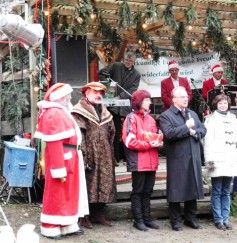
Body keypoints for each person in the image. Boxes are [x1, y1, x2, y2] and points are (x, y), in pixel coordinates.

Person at [34, 83, 89, 239]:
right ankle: (50, 226)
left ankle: (67, 223)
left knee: (68, 193)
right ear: (60, 98)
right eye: (67, 95)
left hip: (70, 157)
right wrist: (58, 167)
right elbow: (54, 143)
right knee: (57, 194)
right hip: (63, 159)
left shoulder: (61, 112)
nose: (70, 98)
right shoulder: (54, 114)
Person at [159, 86, 207, 231]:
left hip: (193, 156)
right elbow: (168, 134)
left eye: (186, 97)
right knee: (176, 189)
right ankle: (175, 220)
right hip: (177, 158)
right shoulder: (166, 115)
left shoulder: (193, 113)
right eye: (182, 97)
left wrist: (195, 133)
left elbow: (203, 129)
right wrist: (186, 128)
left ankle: (190, 218)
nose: (186, 99)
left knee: (192, 187)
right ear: (174, 99)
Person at [72, 82, 117, 229]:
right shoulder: (79, 111)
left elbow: (112, 133)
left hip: (104, 154)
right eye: (95, 92)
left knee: (104, 182)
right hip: (89, 153)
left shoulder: (104, 112)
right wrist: (83, 156)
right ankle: (84, 216)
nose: (99, 95)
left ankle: (98, 214)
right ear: (86, 93)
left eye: (101, 93)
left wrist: (111, 154)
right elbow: (80, 135)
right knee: (88, 184)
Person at [122, 90, 163, 231]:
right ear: (139, 101)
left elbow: (154, 137)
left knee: (148, 192)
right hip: (139, 162)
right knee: (138, 192)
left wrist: (159, 142)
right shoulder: (131, 118)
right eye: (146, 100)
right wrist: (149, 144)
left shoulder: (151, 119)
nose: (149, 102)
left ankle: (147, 218)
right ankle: (138, 220)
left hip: (151, 162)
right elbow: (128, 141)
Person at [202, 94, 237, 230]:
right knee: (217, 190)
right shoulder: (211, 119)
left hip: (230, 159)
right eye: (220, 103)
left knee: (226, 191)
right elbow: (207, 141)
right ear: (216, 105)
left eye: (225, 103)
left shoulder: (232, 118)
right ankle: (218, 219)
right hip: (217, 159)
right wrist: (210, 160)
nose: (223, 105)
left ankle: (226, 219)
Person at [98, 52, 141, 164]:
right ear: (124, 59)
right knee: (113, 132)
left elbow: (133, 90)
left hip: (125, 107)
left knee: (127, 132)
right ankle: (114, 157)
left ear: (134, 62)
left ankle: (127, 157)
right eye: (127, 60)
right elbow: (102, 73)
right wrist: (106, 80)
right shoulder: (116, 66)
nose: (128, 62)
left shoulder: (136, 74)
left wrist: (120, 96)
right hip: (112, 107)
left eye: (131, 61)